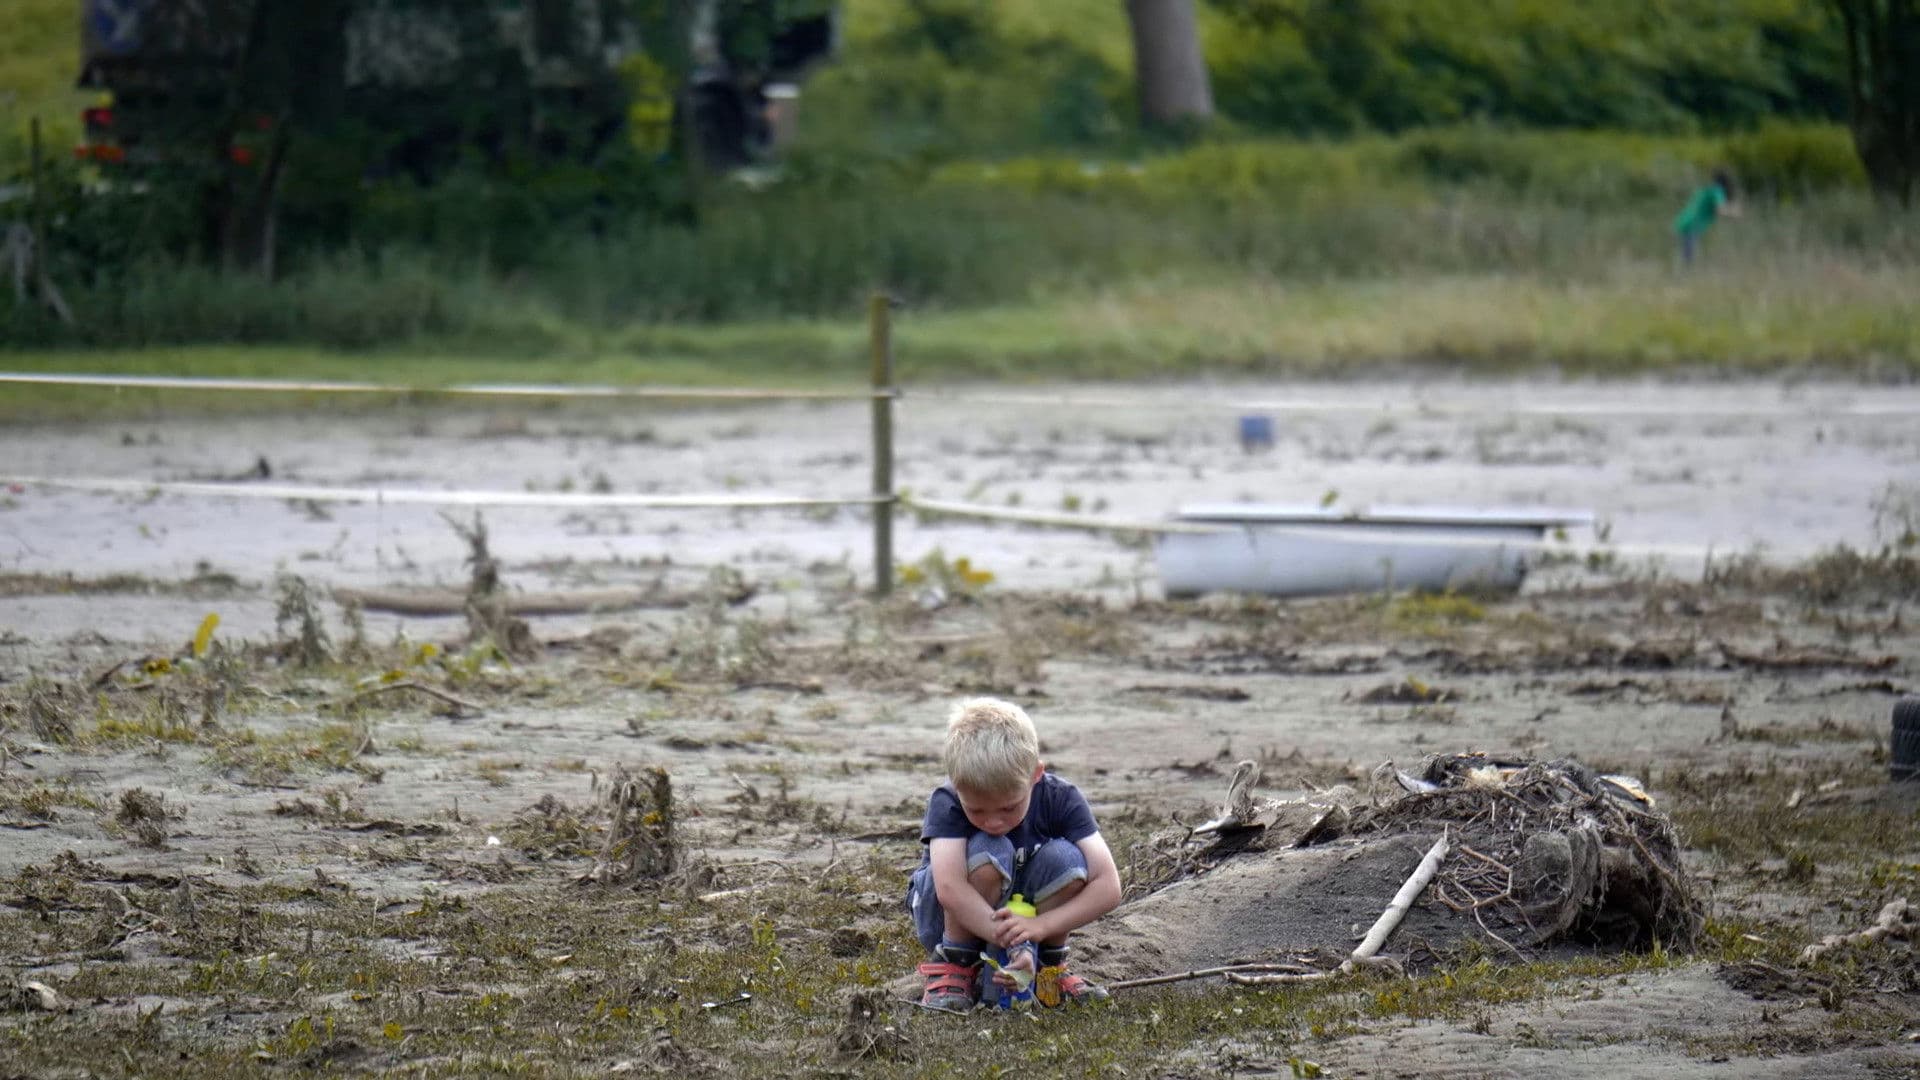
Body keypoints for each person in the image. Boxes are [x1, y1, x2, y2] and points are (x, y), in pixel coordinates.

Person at [906, 697, 1123, 1011]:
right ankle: (956, 963)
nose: (994, 821)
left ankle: (1050, 966)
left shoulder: (1062, 798)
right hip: (949, 913)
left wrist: (1040, 928)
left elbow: (1109, 886)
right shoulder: (947, 799)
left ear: (1035, 775)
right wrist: (1013, 939)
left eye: (1009, 807)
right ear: (956, 784)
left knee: (1067, 859)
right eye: (976, 809)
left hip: (1025, 920)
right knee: (990, 847)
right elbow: (949, 888)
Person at [1674, 169, 1741, 265]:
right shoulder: (1717, 191)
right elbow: (1720, 211)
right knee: (1688, 260)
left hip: (1684, 223)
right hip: (1691, 226)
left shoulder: (1707, 190)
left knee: (1686, 257)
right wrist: (1734, 213)